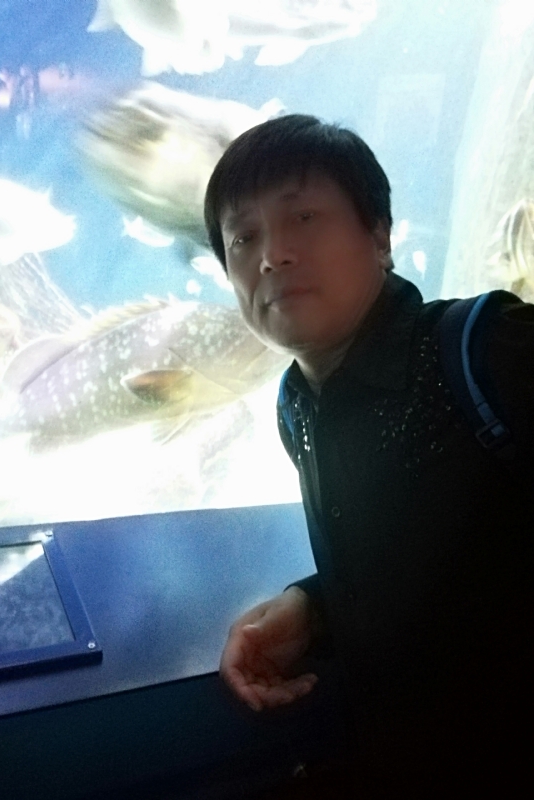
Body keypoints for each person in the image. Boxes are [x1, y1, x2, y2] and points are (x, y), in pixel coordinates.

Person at [203, 114, 534, 797]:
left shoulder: (489, 350)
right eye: (243, 237)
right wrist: (311, 607)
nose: (273, 255)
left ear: (379, 235)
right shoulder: (297, 407)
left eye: (303, 218)